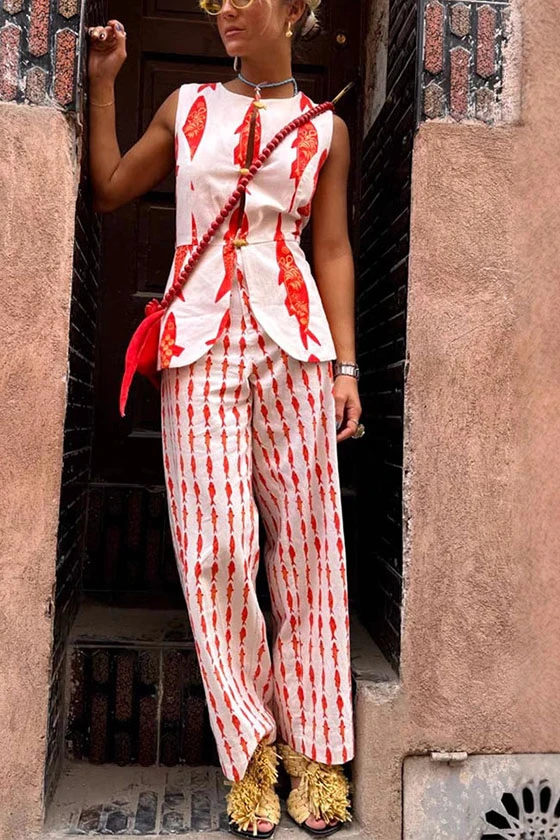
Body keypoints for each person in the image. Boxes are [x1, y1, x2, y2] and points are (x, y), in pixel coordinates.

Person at [87, 0, 364, 836]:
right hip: (199, 341)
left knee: (311, 545)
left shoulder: (325, 129)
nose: (227, 10)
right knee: (216, 548)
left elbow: (333, 248)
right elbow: (111, 188)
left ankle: (317, 755)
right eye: (215, 1)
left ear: (294, 8)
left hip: (294, 343)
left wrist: (347, 366)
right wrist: (105, 86)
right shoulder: (188, 108)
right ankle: (250, 755)